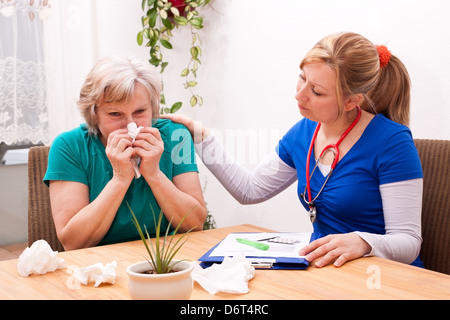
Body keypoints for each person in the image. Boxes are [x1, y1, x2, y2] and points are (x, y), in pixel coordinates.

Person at [163, 32, 424, 268]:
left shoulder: (392, 142)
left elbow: (408, 242)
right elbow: (250, 190)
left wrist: (363, 243)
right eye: (302, 78)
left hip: (384, 277)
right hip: (326, 271)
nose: (299, 95)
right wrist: (203, 138)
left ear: (351, 101)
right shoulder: (304, 133)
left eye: (317, 92)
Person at [44, 55, 207, 250]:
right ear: (94, 114)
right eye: (115, 114)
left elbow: (195, 223)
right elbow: (72, 242)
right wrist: (120, 179)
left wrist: (154, 175)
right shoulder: (69, 146)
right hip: (100, 266)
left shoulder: (175, 136)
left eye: (140, 112)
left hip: (165, 259)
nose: (130, 124)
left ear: (153, 109)